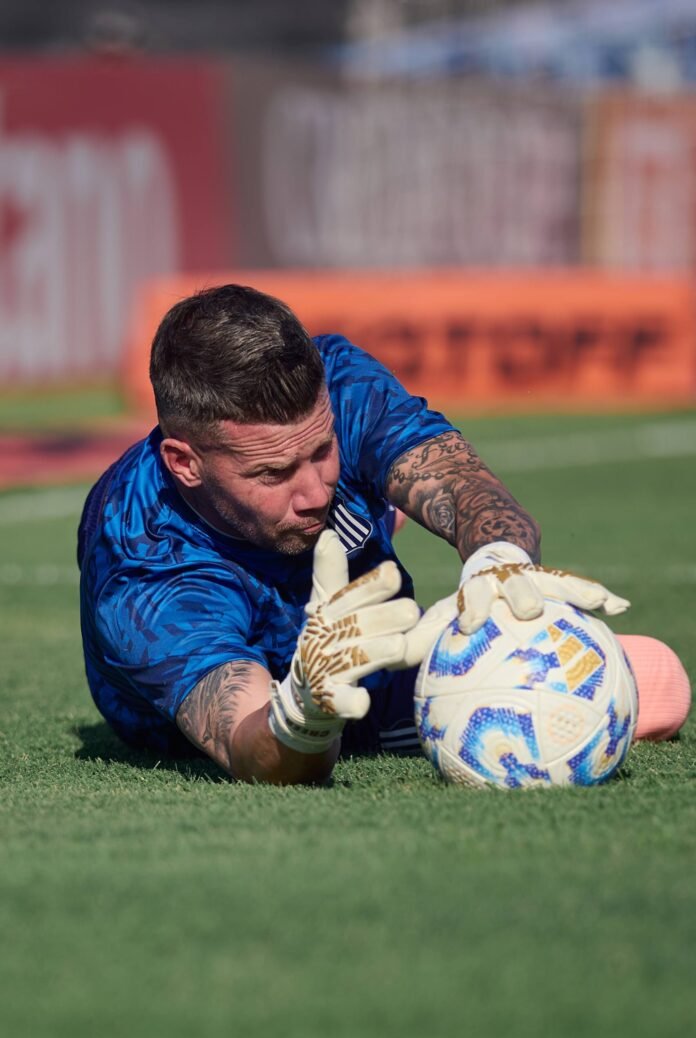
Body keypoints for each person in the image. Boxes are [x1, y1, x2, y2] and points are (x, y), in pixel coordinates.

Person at [77, 284, 691, 784]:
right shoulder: (139, 555)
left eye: (322, 450)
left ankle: (367, 514)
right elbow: (250, 745)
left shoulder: (340, 382)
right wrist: (304, 712)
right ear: (185, 463)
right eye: (272, 473)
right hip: (271, 695)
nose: (314, 491)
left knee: (659, 681)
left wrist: (498, 559)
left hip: (373, 637)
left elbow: (461, 482)